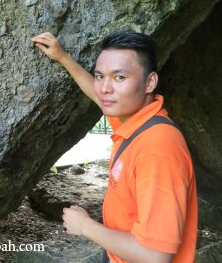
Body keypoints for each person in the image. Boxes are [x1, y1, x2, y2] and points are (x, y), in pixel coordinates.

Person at [31, 32, 197, 263]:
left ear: (150, 82)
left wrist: (86, 227)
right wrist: (63, 57)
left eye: (119, 78)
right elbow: (98, 95)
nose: (104, 88)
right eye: (100, 76)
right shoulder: (138, 122)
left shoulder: (157, 149)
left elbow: (155, 257)